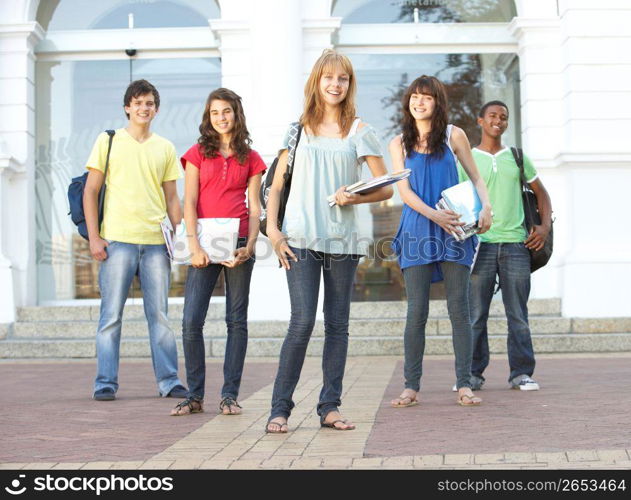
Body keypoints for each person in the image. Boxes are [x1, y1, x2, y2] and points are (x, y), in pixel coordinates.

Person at [264, 49, 393, 433]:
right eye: (329, 78)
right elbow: (277, 185)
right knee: (302, 322)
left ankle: (330, 407)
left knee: (337, 325)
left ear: (349, 84)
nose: (335, 85)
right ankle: (280, 408)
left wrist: (354, 196)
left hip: (344, 240)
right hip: (299, 238)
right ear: (317, 82)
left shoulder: (360, 130)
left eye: (343, 79)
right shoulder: (297, 129)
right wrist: (273, 230)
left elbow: (384, 188)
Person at [389, 75, 493, 408]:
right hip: (418, 230)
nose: (419, 102)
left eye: (427, 97)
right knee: (416, 312)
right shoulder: (398, 143)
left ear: (437, 102)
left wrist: (487, 207)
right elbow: (403, 193)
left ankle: (464, 384)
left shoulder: (454, 135)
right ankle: (411, 386)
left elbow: (476, 177)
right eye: (414, 97)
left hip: (455, 230)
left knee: (459, 311)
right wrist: (434, 216)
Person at [84, 79, 187, 401]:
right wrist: (94, 238)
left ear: (156, 109)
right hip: (117, 241)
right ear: (128, 107)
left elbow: (173, 199)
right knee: (111, 317)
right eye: (139, 102)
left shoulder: (165, 147)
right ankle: (105, 383)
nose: (144, 108)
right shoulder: (108, 140)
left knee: (159, 316)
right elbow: (91, 191)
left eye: (150, 103)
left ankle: (169, 381)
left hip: (157, 243)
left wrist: (180, 238)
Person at [170, 88, 266, 416]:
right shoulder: (197, 153)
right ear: (208, 118)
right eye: (215, 113)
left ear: (236, 114)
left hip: (238, 243)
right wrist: (193, 245)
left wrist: (250, 246)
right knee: (190, 320)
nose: (221, 118)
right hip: (203, 246)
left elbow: (255, 207)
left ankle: (229, 396)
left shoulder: (251, 158)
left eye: (226, 111)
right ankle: (195, 395)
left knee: (236, 321)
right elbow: (190, 202)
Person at [457, 100, 552, 391]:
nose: (499, 120)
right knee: (475, 317)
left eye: (504, 117)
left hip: (516, 245)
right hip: (480, 246)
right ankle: (471, 376)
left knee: (518, 315)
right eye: (493, 116)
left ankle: (521, 373)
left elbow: (541, 194)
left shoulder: (517, 157)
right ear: (480, 121)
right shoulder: (468, 158)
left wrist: (544, 227)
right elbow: (461, 200)